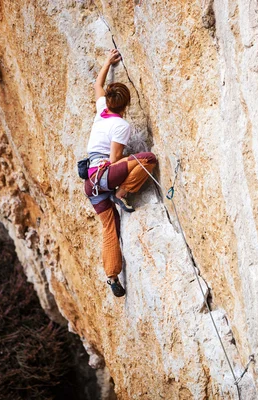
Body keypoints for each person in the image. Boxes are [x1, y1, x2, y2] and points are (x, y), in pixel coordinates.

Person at [83, 49, 157, 297]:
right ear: (126, 105)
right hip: (105, 176)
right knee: (148, 159)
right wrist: (126, 163)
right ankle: (123, 193)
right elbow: (114, 159)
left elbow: (98, 85)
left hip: (91, 184)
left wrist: (107, 62)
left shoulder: (101, 113)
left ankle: (112, 276)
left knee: (109, 228)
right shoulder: (121, 125)